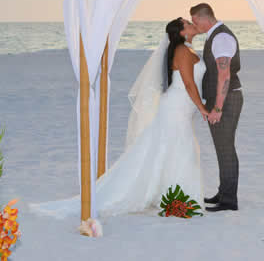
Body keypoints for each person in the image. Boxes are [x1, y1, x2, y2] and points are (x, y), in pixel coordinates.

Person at [29, 17, 208, 218]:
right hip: (177, 106)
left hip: (181, 107)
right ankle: (177, 197)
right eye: (187, 23)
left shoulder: (186, 49)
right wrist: (202, 108)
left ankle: (171, 195)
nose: (191, 24)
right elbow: (189, 84)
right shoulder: (182, 51)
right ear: (182, 32)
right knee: (180, 148)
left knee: (171, 148)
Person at [190, 3, 243, 212]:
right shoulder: (216, 36)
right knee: (224, 148)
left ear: (205, 18)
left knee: (226, 149)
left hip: (227, 101)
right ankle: (224, 193)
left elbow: (224, 74)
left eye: (195, 21)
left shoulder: (221, 38)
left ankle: (229, 200)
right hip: (224, 100)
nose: (195, 25)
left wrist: (218, 108)